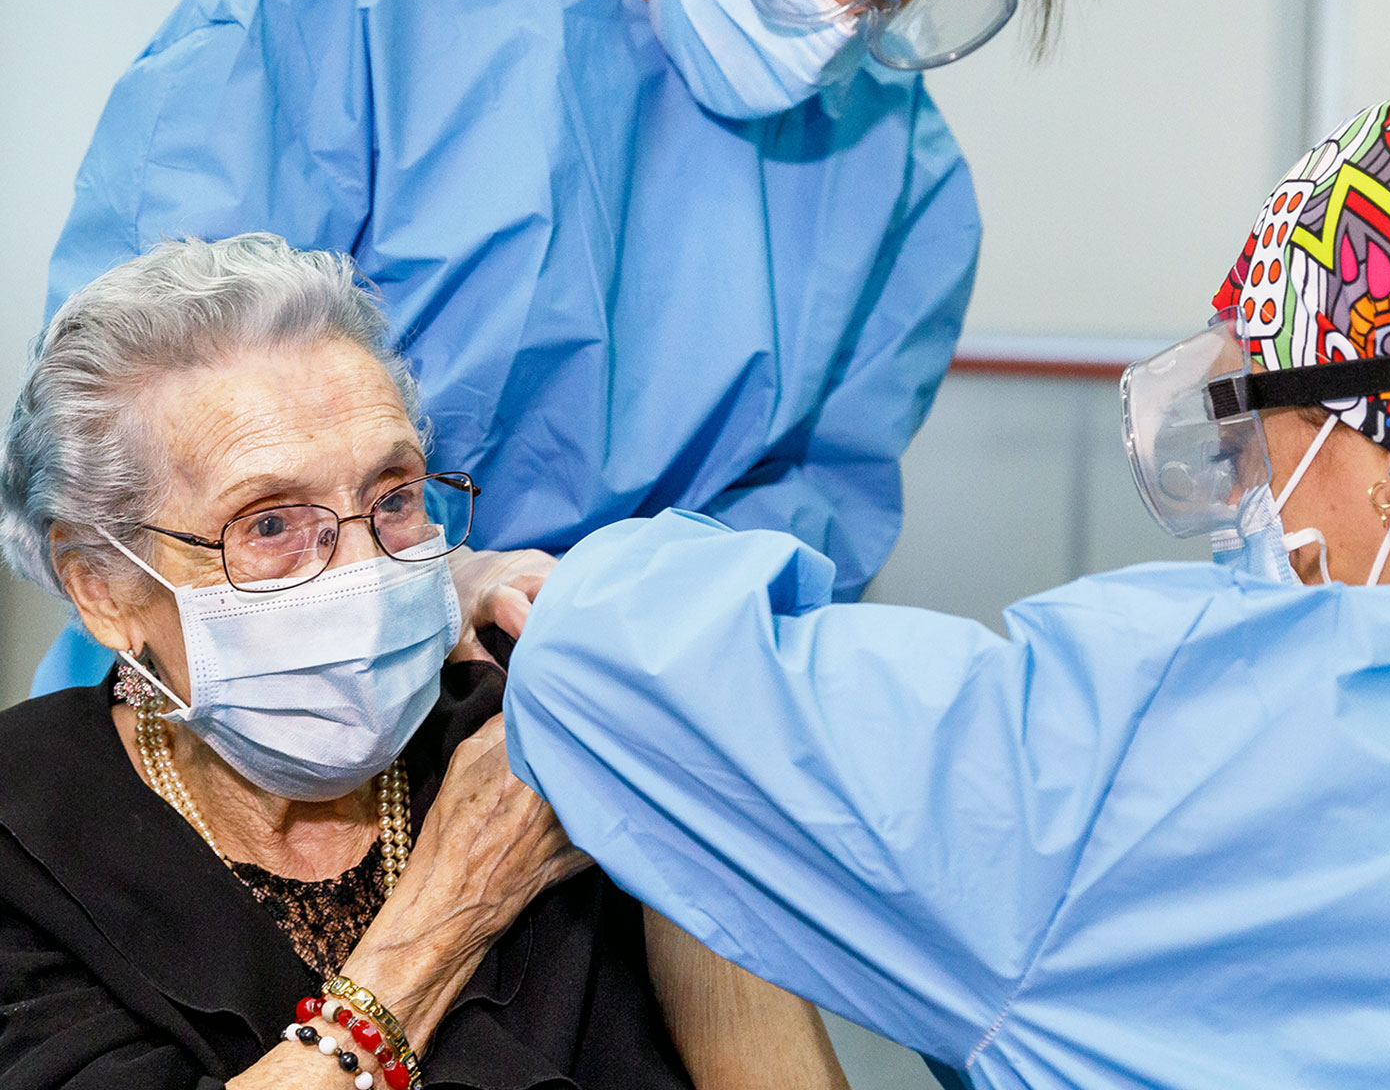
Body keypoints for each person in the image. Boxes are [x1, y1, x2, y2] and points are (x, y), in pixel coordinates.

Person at [501, 91, 1390, 1088]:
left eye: (1256, 430)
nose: (1247, 496)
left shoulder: (1254, 744)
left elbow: (658, 681)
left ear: (1384, 457)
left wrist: (546, 574)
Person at [35, 0, 1078, 692]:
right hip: (231, 706)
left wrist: (598, 621)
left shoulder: (897, 168)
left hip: (587, 730)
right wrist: (403, 581)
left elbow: (808, 511)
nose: (845, 16)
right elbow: (126, 416)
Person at [0, 235, 849, 1089]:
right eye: (267, 524)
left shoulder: (550, 746)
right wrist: (449, 910)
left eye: (394, 498)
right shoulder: (23, 835)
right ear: (101, 586)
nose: (366, 573)